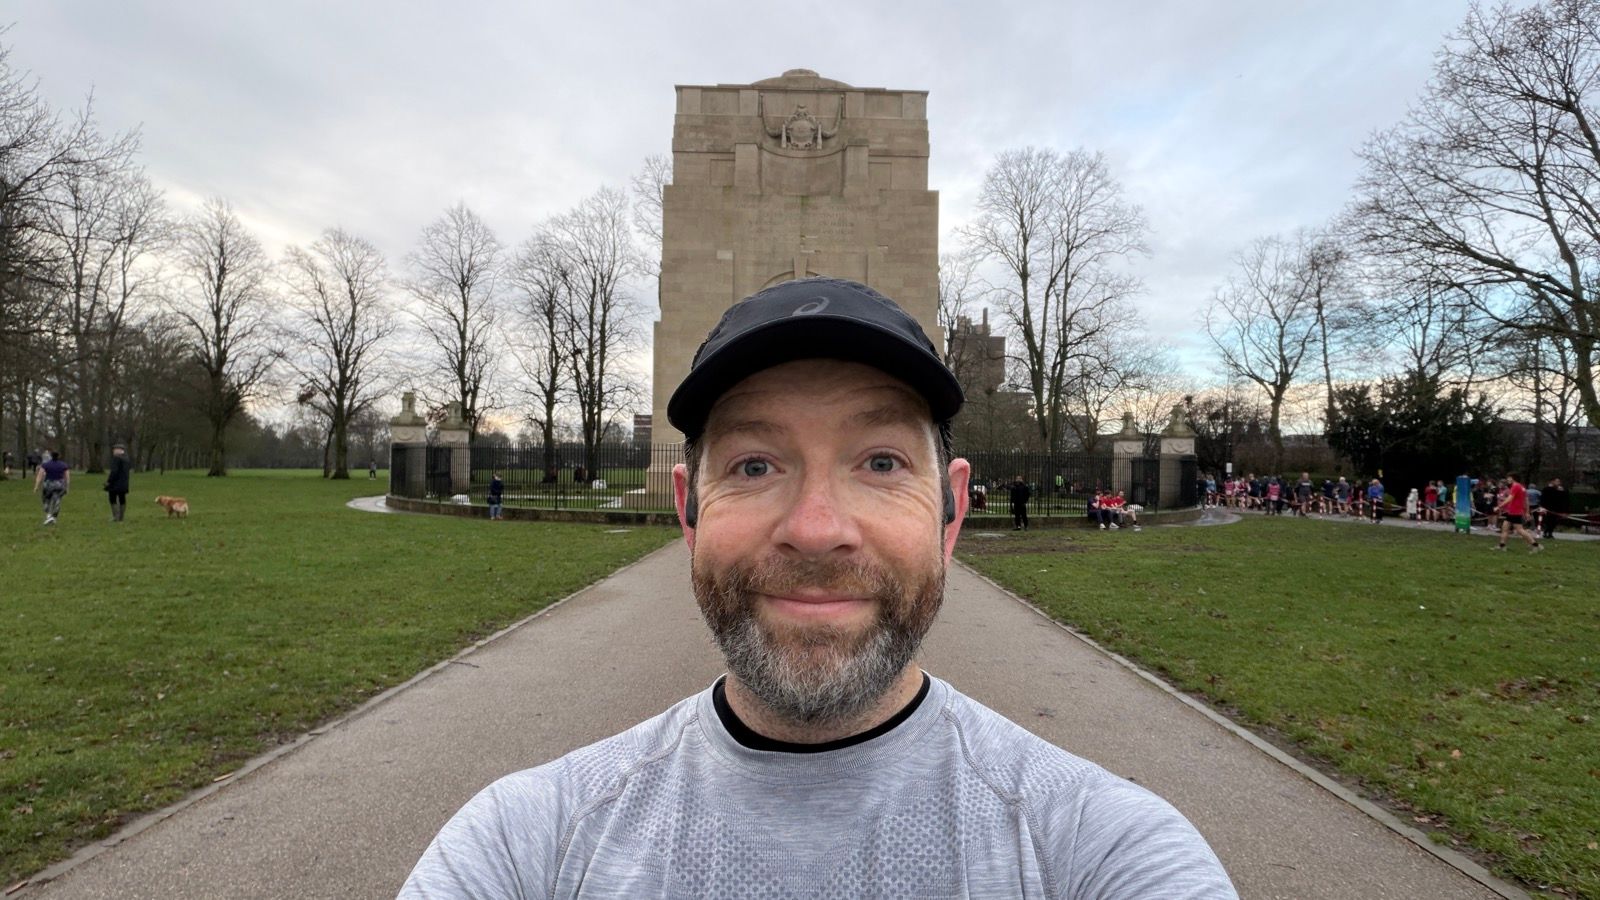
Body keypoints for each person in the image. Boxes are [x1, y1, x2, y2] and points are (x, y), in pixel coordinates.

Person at [399, 277, 1235, 899]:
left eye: (882, 462)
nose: (816, 526)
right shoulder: (526, 846)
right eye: (754, 465)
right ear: (689, 511)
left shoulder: (1099, 849)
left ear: (951, 513)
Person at [1494, 473, 1543, 553]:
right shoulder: (1522, 487)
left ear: (1513, 478)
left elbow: (1510, 498)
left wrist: (1499, 506)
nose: (1507, 480)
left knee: (1520, 530)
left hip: (1514, 511)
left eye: (1509, 478)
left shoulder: (1515, 486)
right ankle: (1502, 545)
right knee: (1505, 528)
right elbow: (1526, 500)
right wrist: (1527, 512)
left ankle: (1536, 545)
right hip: (1513, 511)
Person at [33, 450, 70, 525]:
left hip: (48, 485)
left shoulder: (46, 465)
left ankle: (48, 515)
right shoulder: (63, 465)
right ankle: (53, 516)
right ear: (58, 456)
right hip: (59, 485)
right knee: (57, 500)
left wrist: (36, 486)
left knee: (46, 500)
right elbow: (67, 477)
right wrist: (67, 487)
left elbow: (40, 475)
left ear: (51, 456)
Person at [104, 442, 131, 522]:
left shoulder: (117, 459)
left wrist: (109, 481)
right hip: (124, 483)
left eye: (115, 449)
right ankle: (121, 517)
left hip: (115, 483)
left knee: (112, 498)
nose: (113, 451)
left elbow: (114, 471)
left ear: (119, 450)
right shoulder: (126, 459)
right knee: (122, 498)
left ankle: (116, 516)